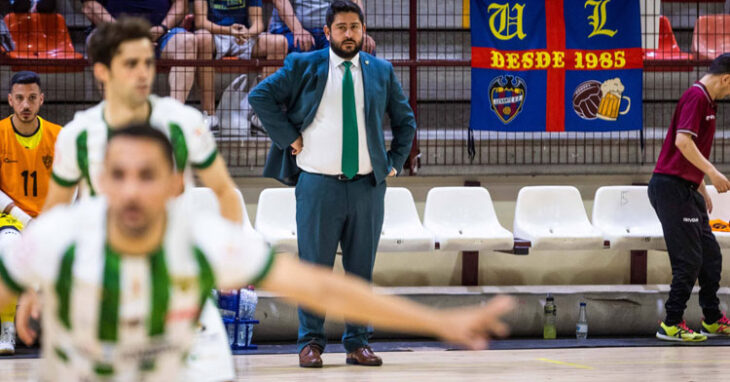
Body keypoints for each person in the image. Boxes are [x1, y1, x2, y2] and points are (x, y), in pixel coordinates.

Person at [0, 124, 514, 381]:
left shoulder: (201, 241)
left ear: (174, 183)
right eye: (118, 175)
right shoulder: (60, 237)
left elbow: (322, 285)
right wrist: (28, 286)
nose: (131, 190)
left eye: (146, 175)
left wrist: (439, 323)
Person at [24, 17, 241, 382]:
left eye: (148, 62)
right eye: (131, 63)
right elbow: (54, 216)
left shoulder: (183, 122)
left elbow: (224, 191)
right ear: (102, 72)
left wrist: (233, 256)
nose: (143, 73)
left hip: (179, 280)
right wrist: (35, 283)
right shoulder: (78, 134)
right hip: (103, 287)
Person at [249, 0, 415, 368]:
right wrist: (289, 137)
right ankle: (310, 343)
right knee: (315, 267)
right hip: (317, 184)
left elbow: (406, 122)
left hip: (367, 188)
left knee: (360, 270)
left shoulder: (381, 71)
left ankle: (358, 343)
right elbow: (259, 96)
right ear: (327, 32)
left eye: (355, 27)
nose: (349, 34)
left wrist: (393, 164)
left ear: (363, 30)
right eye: (341, 27)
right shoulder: (303, 64)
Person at [649, 53, 730, 342]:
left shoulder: (709, 101)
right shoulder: (696, 97)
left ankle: (711, 319)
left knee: (711, 255)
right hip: (670, 189)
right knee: (690, 259)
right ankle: (671, 323)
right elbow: (682, 142)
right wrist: (713, 174)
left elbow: (689, 151)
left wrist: (700, 185)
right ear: (726, 78)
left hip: (687, 187)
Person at [0, 71, 62, 355]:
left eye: (32, 98)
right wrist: (23, 218)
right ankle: (7, 329)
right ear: (10, 100)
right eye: (21, 99)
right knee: (10, 248)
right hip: (8, 218)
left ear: (42, 100)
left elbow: (70, 186)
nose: (26, 105)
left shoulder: (58, 136)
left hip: (47, 220)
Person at [80, 0, 217, 127]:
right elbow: (89, 6)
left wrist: (162, 28)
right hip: (114, 33)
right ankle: (115, 116)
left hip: (162, 33)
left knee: (187, 41)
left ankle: (174, 117)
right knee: (98, 42)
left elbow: (181, 6)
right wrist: (124, 33)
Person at [194, 0, 289, 133]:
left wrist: (247, 34)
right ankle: (209, 115)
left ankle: (260, 115)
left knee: (279, 43)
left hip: (242, 35)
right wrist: (228, 31)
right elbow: (200, 22)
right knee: (201, 38)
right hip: (214, 34)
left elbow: (258, 23)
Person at [269, 0, 375, 54]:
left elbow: (355, 1)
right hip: (289, 29)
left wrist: (360, 32)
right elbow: (280, 2)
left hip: (328, 30)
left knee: (363, 47)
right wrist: (298, 30)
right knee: (300, 47)